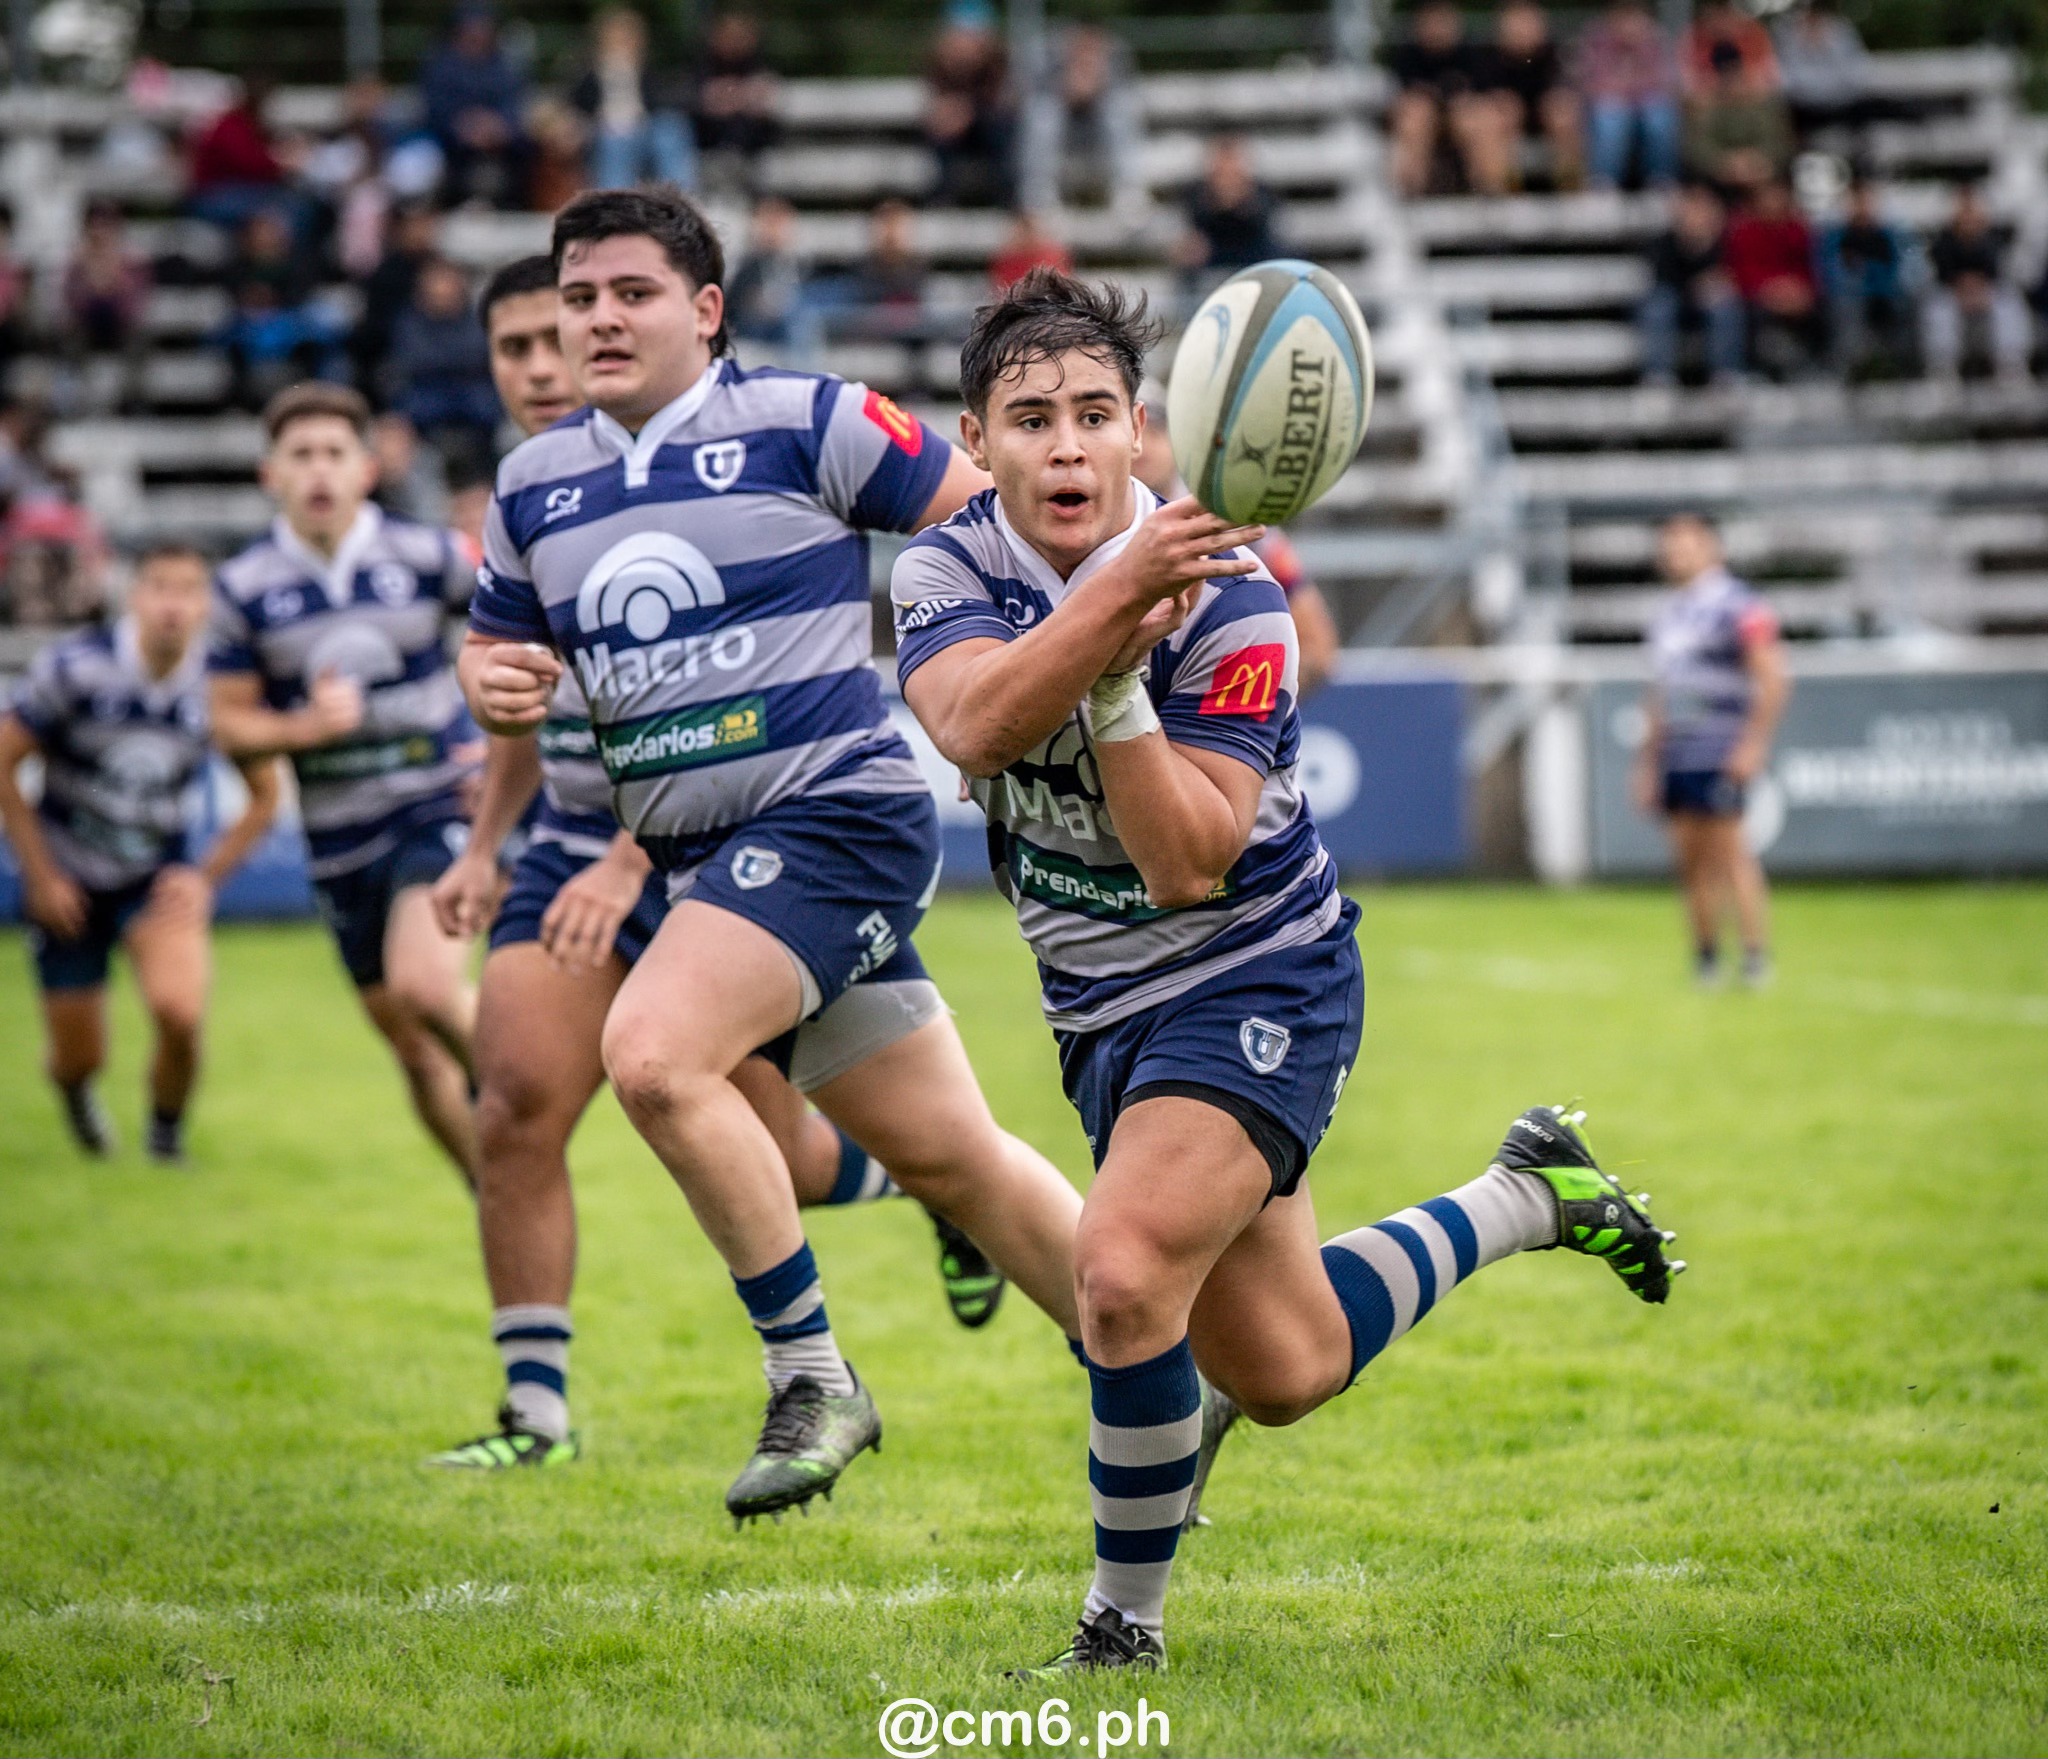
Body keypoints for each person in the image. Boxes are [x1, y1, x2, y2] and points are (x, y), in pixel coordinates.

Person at [892, 267, 1682, 1674]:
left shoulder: (1237, 597)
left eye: (1093, 414)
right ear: (976, 441)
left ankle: (1119, 1631)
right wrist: (1105, 624)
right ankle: (1525, 1193)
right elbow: (971, 725)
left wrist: (1122, 674)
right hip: (1095, 1006)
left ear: (1143, 432)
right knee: (1286, 1363)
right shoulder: (948, 567)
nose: (1065, 445)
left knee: (1123, 1271)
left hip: (1257, 972)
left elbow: (1189, 859)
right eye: (1028, 419)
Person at [457, 187, 1096, 1521]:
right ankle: (1163, 1365)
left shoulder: (810, 419)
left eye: (631, 292)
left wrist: (989, 675)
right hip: (704, 857)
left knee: (651, 1052)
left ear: (705, 309)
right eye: (579, 299)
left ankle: (814, 1376)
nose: (599, 320)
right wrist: (496, 683)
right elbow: (493, 643)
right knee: (953, 1157)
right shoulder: (530, 482)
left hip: (834, 817)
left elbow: (990, 520)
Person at [208, 382, 483, 1185]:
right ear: (271, 474)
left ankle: (518, 1102)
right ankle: (492, 1189)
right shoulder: (243, 589)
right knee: (411, 1049)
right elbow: (227, 724)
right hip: (336, 838)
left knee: (427, 987)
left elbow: (514, 636)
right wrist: (301, 729)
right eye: (301, 455)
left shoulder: (428, 556)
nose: (319, 471)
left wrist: (494, 742)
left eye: (334, 453)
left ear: (366, 467)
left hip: (433, 805)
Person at [0, 544, 281, 1161]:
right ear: (133, 595)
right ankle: (77, 1098)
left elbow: (264, 797)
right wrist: (41, 876)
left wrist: (204, 879)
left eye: (187, 589)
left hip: (155, 876)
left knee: (180, 1013)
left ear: (206, 604)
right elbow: (5, 761)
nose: (172, 605)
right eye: (159, 586)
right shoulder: (74, 669)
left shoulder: (216, 687)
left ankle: (165, 1142)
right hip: (67, 874)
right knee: (80, 1056)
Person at [1635, 515, 1786, 987]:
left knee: (1731, 855)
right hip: (1678, 753)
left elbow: (1774, 677)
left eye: (1686, 544)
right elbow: (1660, 694)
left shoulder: (1739, 605)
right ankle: (1705, 960)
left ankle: (1756, 959)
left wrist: (1753, 742)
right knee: (1688, 860)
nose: (1676, 554)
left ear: (1711, 547)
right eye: (1670, 546)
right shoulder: (1666, 615)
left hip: (1720, 748)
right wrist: (1647, 761)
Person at [1131, 385, 1338, 696]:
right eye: (1132, 432)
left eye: (1155, 431)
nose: (1143, 446)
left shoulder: (1238, 524)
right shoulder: (1072, 530)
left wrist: (1245, 700)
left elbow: (1318, 650)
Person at [385, 256, 501, 484]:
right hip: (425, 404)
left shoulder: (478, 318)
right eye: (435, 282)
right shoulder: (409, 321)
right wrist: (459, 362)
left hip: (476, 403)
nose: (441, 289)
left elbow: (479, 353)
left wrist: (446, 363)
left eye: (447, 281)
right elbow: (415, 358)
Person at [570, 8, 696, 192]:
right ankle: (614, 200)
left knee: (670, 128)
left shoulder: (647, 74)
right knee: (614, 142)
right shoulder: (589, 77)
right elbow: (578, 107)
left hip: (645, 130)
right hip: (607, 132)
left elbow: (660, 103)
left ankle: (679, 195)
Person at [1021, 22, 1141, 212]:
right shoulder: (1049, 61)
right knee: (1043, 113)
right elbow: (1028, 93)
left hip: (1098, 142)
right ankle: (1039, 192)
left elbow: (1125, 92)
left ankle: (1128, 188)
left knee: (1118, 110)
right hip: (1063, 142)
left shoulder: (1115, 58)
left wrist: (1096, 87)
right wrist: (1068, 90)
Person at [421, 3, 530, 209]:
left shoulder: (505, 65)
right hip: (452, 147)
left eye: (482, 27)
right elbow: (435, 111)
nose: (477, 33)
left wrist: (497, 127)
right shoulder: (440, 65)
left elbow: (515, 106)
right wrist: (463, 127)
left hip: (500, 146)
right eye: (472, 27)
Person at [1467, 0, 1582, 195]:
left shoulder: (1553, 56)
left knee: (1564, 112)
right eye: (1516, 21)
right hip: (1505, 126)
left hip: (1545, 123)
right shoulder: (1488, 57)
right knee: (1492, 118)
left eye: (1528, 21)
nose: (1522, 29)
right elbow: (1481, 99)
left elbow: (1565, 94)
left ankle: (1570, 190)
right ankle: (1500, 192)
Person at [1922, 185, 2032, 387]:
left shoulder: (1995, 240)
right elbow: (1942, 275)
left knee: (2008, 302)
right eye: (1963, 212)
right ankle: (1943, 369)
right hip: (1954, 296)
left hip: (1987, 296)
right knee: (1939, 307)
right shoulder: (1942, 242)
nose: (1968, 217)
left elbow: (1998, 274)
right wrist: (1962, 287)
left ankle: (2011, 365)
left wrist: (1979, 289)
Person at [1639, 182, 1745, 385]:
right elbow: (1661, 281)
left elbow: (1733, 277)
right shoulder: (1663, 242)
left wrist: (1705, 246)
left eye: (1703, 209)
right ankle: (1657, 378)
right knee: (1658, 306)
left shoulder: (1727, 241)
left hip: (1709, 306)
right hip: (1675, 304)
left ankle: (1726, 376)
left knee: (1725, 306)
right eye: (1691, 208)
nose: (1697, 215)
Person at [1573, 0, 1680, 190]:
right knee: (1610, 119)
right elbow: (1591, 83)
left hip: (1645, 102)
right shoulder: (1597, 39)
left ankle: (1660, 179)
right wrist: (1626, 89)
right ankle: (1603, 180)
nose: (1629, 23)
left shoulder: (1655, 38)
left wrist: (1631, 82)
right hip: (1612, 103)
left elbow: (1665, 81)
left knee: (1659, 117)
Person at [1386, 0, 1487, 198]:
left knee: (1478, 120)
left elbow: (1478, 99)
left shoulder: (1471, 54)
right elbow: (1399, 105)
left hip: (1462, 126)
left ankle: (1486, 194)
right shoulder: (1407, 56)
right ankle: (1411, 195)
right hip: (1423, 129)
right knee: (1415, 118)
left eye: (1442, 19)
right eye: (1431, 19)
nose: (1437, 27)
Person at [1818, 179, 1916, 379]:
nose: (1862, 208)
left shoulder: (1890, 236)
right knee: (1845, 305)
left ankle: (1905, 369)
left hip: (1888, 293)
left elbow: (1903, 269)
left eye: (1866, 202)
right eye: (1856, 202)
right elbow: (1831, 272)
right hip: (1852, 296)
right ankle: (1852, 369)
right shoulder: (1836, 238)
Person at [62, 198, 151, 412]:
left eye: (106, 224)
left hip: (119, 325)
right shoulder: (76, 262)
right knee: (69, 340)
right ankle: (73, 401)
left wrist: (114, 280)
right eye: (95, 223)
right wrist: (90, 282)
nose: (100, 230)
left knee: (139, 340)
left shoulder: (131, 261)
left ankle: (133, 401)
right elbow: (70, 300)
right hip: (87, 325)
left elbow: (136, 303)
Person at [1722, 179, 1819, 378]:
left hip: (1795, 296)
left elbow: (1810, 268)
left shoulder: (1798, 229)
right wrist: (1770, 290)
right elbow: (1741, 271)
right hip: (1758, 296)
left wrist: (1796, 289)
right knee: (1742, 311)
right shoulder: (1744, 230)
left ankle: (1816, 368)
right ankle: (1753, 371)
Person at [922, 4, 1015, 208]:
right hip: (954, 134)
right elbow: (938, 104)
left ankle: (1005, 198)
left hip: (986, 133)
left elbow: (999, 104)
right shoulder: (940, 66)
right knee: (940, 134)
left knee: (998, 129)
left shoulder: (997, 64)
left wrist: (968, 112)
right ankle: (942, 198)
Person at [1682, 39, 1792, 198]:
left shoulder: (1764, 102)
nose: (1731, 79)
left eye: (1734, 71)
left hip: (1763, 174)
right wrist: (1724, 164)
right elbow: (1696, 147)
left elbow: (1780, 141)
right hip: (1716, 181)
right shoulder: (1702, 106)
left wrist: (1759, 161)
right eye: (1724, 73)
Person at [1175, 136, 1281, 294]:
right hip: (1212, 255)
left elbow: (1261, 222)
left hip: (1253, 252)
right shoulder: (1196, 193)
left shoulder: (1261, 191)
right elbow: (1195, 226)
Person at [691, 11, 781, 191]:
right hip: (712, 135)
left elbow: (764, 98)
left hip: (750, 140)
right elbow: (703, 100)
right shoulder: (706, 65)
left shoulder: (757, 64)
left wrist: (731, 97)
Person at [1772, 0, 1867, 141]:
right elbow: (1785, 77)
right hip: (1803, 109)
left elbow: (1856, 72)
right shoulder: (1787, 33)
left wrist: (1827, 46)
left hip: (1843, 105)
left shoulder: (1841, 31)